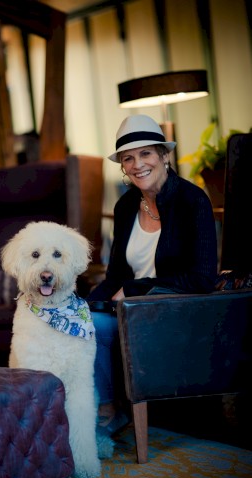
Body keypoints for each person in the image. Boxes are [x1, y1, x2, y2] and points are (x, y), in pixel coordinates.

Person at [88, 114, 218, 435]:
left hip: (176, 311)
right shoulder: (124, 206)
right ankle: (107, 409)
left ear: (164, 155)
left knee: (94, 326)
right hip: (131, 311)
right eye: (128, 158)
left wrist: (135, 289)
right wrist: (77, 305)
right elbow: (115, 276)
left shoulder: (193, 201)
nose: (137, 164)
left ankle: (108, 410)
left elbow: (202, 279)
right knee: (81, 321)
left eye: (145, 153)